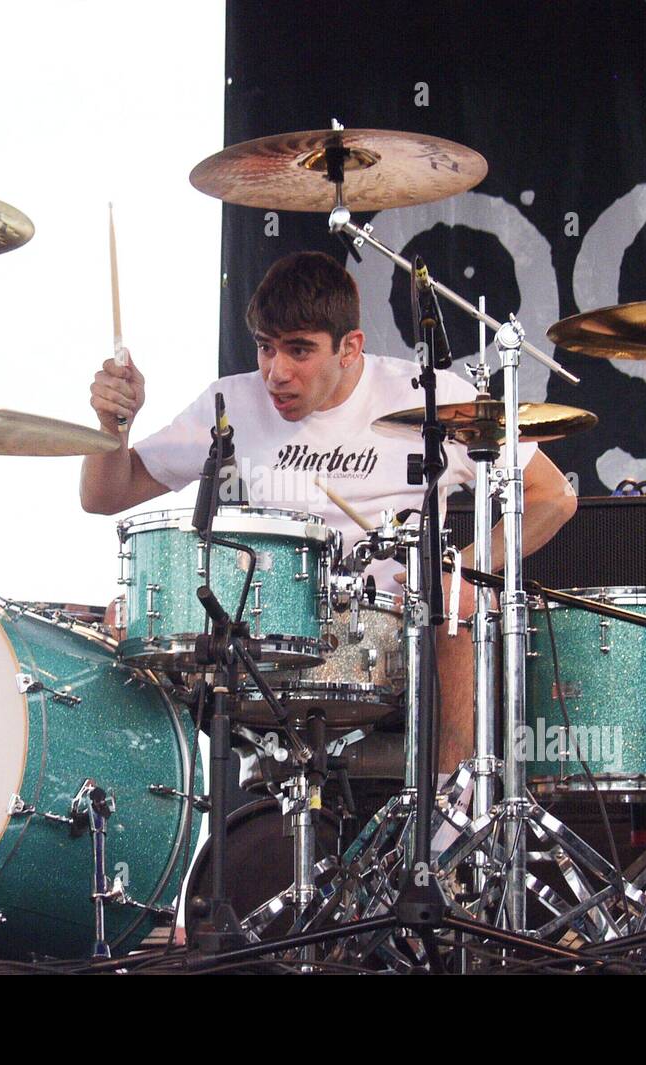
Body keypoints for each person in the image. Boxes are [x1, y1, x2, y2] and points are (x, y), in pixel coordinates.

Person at [81, 251, 576, 771]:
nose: (276, 372)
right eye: (265, 349)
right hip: (271, 634)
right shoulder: (230, 403)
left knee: (462, 603)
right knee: (130, 619)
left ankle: (453, 804)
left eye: (300, 351)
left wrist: (456, 570)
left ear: (350, 347)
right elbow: (104, 495)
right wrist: (111, 425)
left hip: (398, 632)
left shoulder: (428, 398)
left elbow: (553, 497)